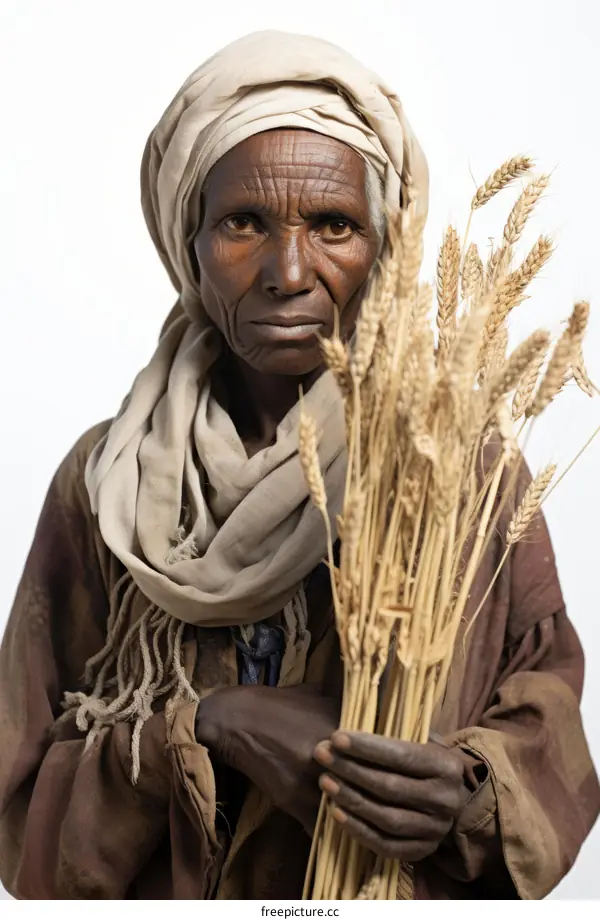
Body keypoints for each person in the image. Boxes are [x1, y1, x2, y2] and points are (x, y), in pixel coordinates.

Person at [0, 30, 597, 901]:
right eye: (243, 223)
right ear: (188, 243)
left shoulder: (463, 480)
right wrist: (209, 726)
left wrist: (470, 794)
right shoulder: (105, 483)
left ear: (382, 246)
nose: (289, 271)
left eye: (335, 226)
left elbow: (554, 746)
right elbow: (17, 816)